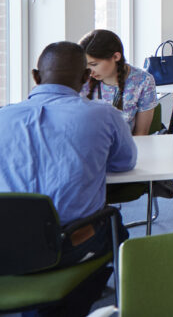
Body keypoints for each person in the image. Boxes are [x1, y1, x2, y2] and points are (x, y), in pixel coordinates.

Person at [0, 42, 136, 315]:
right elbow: (124, 163)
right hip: (70, 244)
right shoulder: (103, 114)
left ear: (36, 76)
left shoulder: (3, 116)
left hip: (6, 244)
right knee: (114, 225)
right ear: (86, 78)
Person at [79, 29, 158, 136]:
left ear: (116, 57)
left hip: (125, 148)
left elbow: (141, 133)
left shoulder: (143, 81)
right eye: (86, 65)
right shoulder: (81, 80)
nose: (89, 72)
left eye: (94, 64)